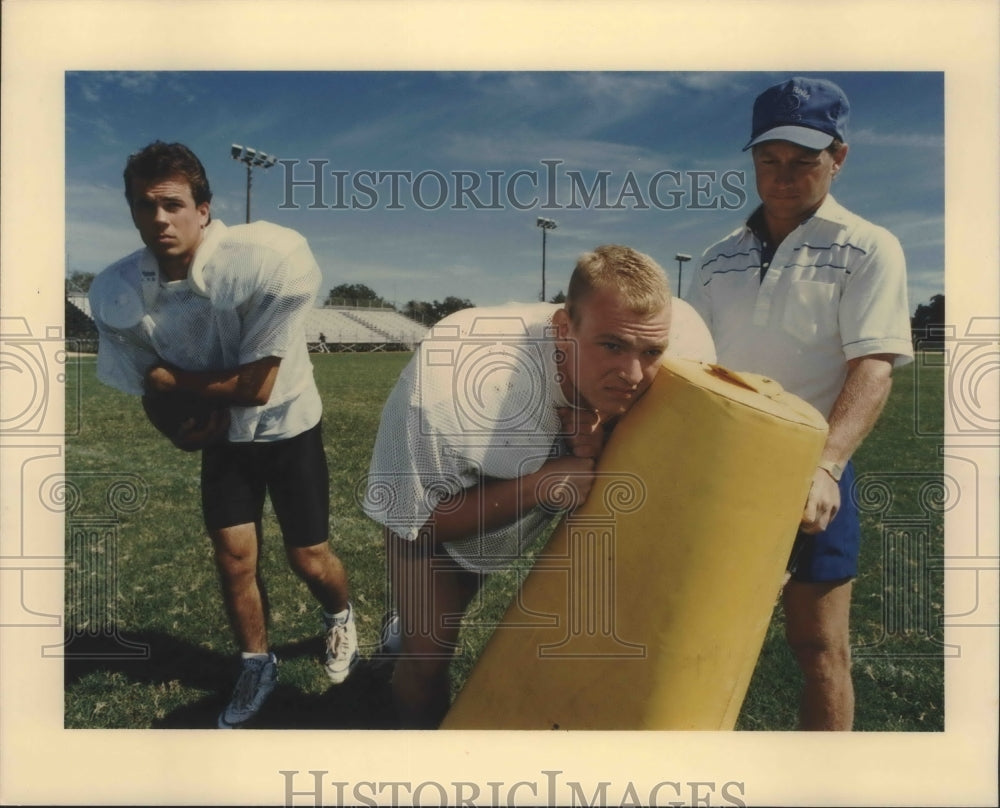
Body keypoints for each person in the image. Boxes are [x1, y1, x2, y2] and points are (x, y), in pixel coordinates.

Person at [363, 245, 717, 727]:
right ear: (563, 328)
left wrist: (600, 436)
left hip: (515, 482)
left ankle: (407, 627)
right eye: (611, 345)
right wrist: (540, 485)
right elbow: (418, 522)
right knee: (429, 654)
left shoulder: (680, 345)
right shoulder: (451, 384)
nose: (633, 375)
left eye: (651, 352)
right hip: (434, 507)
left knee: (464, 591)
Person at [88, 141, 358, 729]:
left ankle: (338, 616)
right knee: (234, 558)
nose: (158, 218)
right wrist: (174, 429)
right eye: (143, 206)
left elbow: (258, 385)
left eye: (172, 204)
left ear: (204, 210)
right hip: (223, 440)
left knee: (309, 559)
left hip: (287, 423)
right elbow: (149, 393)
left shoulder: (268, 257)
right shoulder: (119, 290)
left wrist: (171, 378)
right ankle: (256, 663)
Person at [687, 78, 914, 730]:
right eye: (769, 160)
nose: (783, 177)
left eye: (804, 161)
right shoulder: (715, 257)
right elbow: (694, 364)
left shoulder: (869, 247)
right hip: (722, 478)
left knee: (818, 649)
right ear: (753, 159)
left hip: (813, 476)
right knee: (700, 640)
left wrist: (826, 465)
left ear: (838, 158)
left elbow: (872, 367)